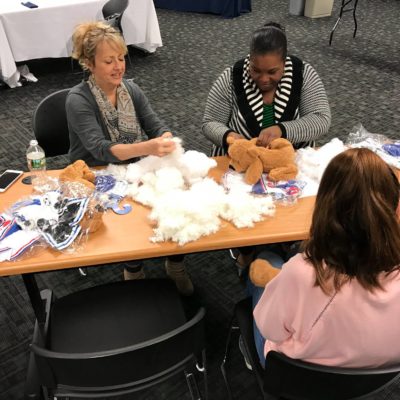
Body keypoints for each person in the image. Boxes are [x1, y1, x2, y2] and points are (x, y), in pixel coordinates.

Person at [66, 21, 193, 295]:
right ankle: (133, 270)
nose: (118, 67)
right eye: (109, 61)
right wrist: (147, 148)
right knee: (129, 218)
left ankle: (175, 264)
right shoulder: (78, 100)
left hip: (134, 163)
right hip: (97, 172)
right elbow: (99, 149)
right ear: (89, 63)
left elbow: (155, 125)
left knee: (177, 200)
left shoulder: (131, 90)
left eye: (121, 58)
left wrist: (166, 138)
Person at [251, 148, 400, 368]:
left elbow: (269, 328)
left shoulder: (301, 273)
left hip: (299, 376)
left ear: (324, 206)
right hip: (379, 375)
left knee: (266, 259)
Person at [202, 21, 331, 272]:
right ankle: (248, 250)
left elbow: (321, 119)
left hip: (287, 163)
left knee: (296, 218)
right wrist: (229, 137)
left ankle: (285, 243)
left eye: (272, 71)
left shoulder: (304, 74)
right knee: (247, 220)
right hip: (242, 166)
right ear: (249, 60)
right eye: (256, 70)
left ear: (285, 62)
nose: (263, 78)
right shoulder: (231, 77)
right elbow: (210, 122)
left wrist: (283, 130)